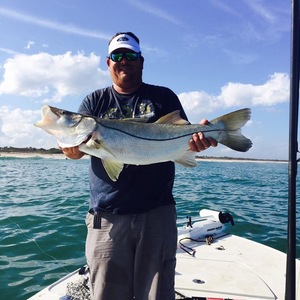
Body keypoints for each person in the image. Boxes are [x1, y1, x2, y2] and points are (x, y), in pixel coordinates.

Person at [61, 32, 217, 300]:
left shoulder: (163, 97)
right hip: (107, 217)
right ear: (108, 63)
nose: (124, 61)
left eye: (130, 55)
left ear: (141, 61)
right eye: (117, 56)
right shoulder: (93, 102)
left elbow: (184, 141)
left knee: (157, 294)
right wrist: (70, 149)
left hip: (157, 214)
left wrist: (199, 141)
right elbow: (76, 151)